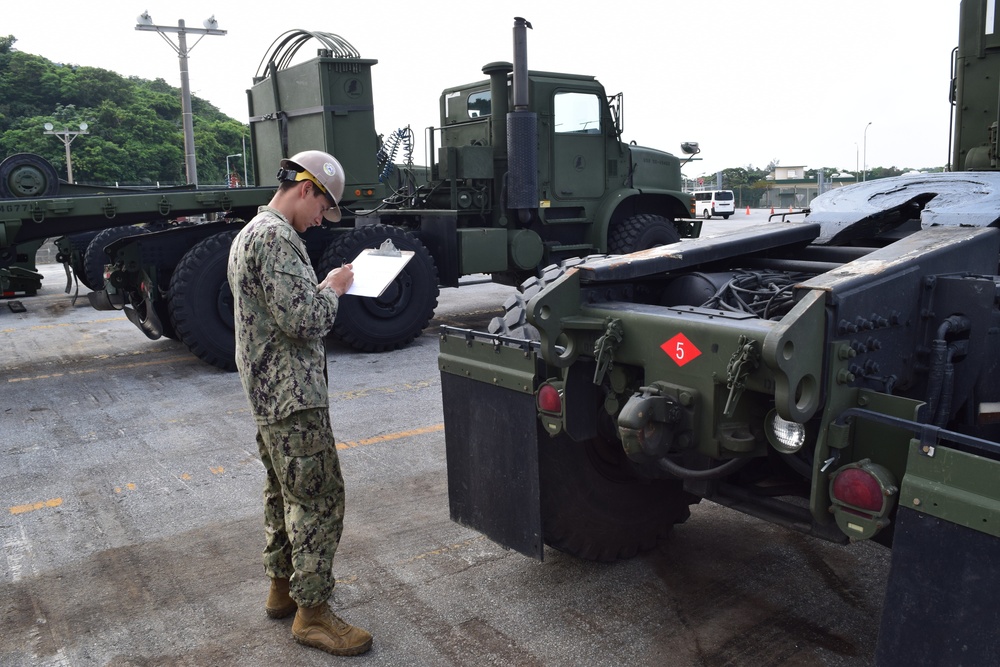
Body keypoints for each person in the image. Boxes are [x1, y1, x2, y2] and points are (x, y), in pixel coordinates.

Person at [227, 150, 372, 657]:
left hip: (270, 394)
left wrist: (319, 287)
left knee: (281, 490)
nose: (320, 221)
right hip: (292, 396)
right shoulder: (277, 238)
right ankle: (313, 613)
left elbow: (278, 309)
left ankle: (281, 588)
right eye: (323, 208)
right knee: (318, 499)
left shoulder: (252, 232)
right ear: (306, 188)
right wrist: (332, 289)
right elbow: (305, 320)